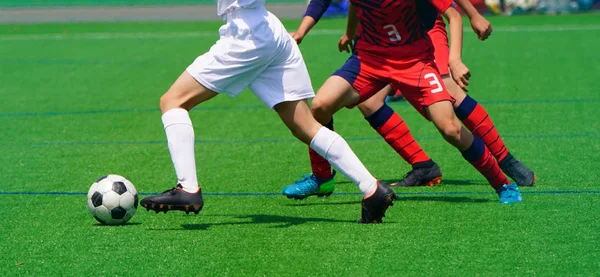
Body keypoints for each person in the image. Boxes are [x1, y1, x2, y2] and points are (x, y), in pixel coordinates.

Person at [139, 0, 396, 223]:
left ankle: (188, 188)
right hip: (270, 32)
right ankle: (371, 188)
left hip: (246, 35)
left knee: (173, 101)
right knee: (304, 125)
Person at [282, 0, 523, 204]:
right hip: (369, 59)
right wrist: (303, 31)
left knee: (450, 128)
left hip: (415, 61)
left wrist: (464, 37)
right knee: (320, 106)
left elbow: (451, 10)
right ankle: (322, 178)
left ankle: (502, 183)